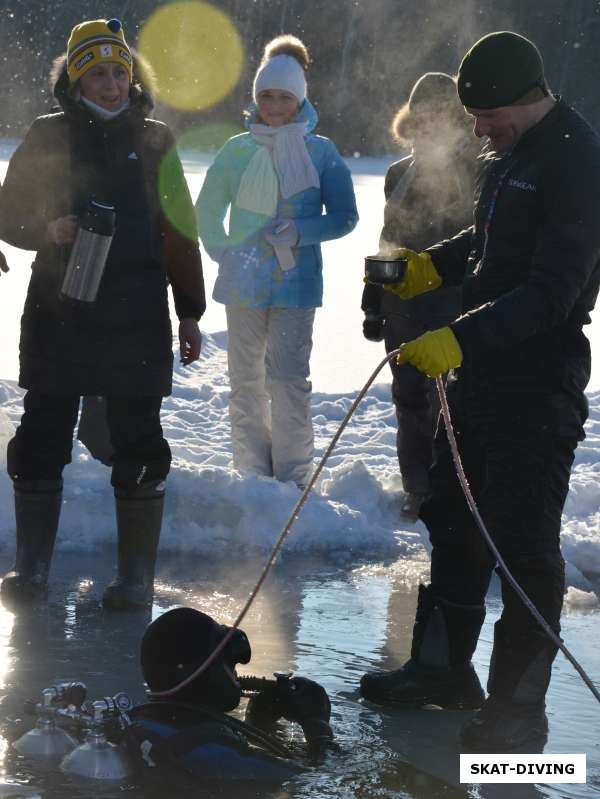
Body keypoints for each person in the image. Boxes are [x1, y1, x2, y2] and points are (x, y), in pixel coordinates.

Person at [359, 31, 600, 750]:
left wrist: (459, 337)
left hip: (536, 379)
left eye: (487, 114)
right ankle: (440, 672)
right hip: (479, 375)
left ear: (527, 98)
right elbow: (491, 239)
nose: (477, 130)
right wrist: (429, 267)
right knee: (453, 521)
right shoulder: (512, 150)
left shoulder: (578, 163)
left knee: (522, 545)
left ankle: (517, 716)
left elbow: (553, 292)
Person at [0, 19, 206, 610]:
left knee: (139, 439)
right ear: (75, 79)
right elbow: (9, 213)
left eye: (120, 72)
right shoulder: (49, 135)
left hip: (137, 312)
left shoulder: (157, 139)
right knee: (42, 432)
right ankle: (31, 570)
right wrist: (47, 228)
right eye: (97, 74)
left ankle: (134, 579)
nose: (112, 85)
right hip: (58, 310)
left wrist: (189, 310)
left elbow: (178, 231)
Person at [196, 35, 358, 487]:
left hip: (296, 283)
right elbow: (207, 209)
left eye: (284, 97)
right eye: (266, 95)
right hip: (242, 284)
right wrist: (224, 251)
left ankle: (292, 477)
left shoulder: (321, 152)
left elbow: (346, 216)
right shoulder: (236, 150)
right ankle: (251, 473)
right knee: (245, 381)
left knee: (287, 381)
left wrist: (302, 231)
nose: (273, 104)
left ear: (300, 99)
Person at [361, 72, 478, 520]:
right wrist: (373, 302)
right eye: (423, 117)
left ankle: (457, 491)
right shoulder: (399, 174)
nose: (431, 126)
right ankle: (418, 486)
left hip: (457, 307)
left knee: (456, 405)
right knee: (410, 398)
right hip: (402, 309)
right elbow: (387, 241)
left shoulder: (477, 171)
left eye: (442, 116)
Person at [125, 607, 336, 780]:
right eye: (229, 665)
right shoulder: (211, 751)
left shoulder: (143, 721)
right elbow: (313, 780)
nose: (235, 676)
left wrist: (259, 722)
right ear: (204, 672)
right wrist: (318, 728)